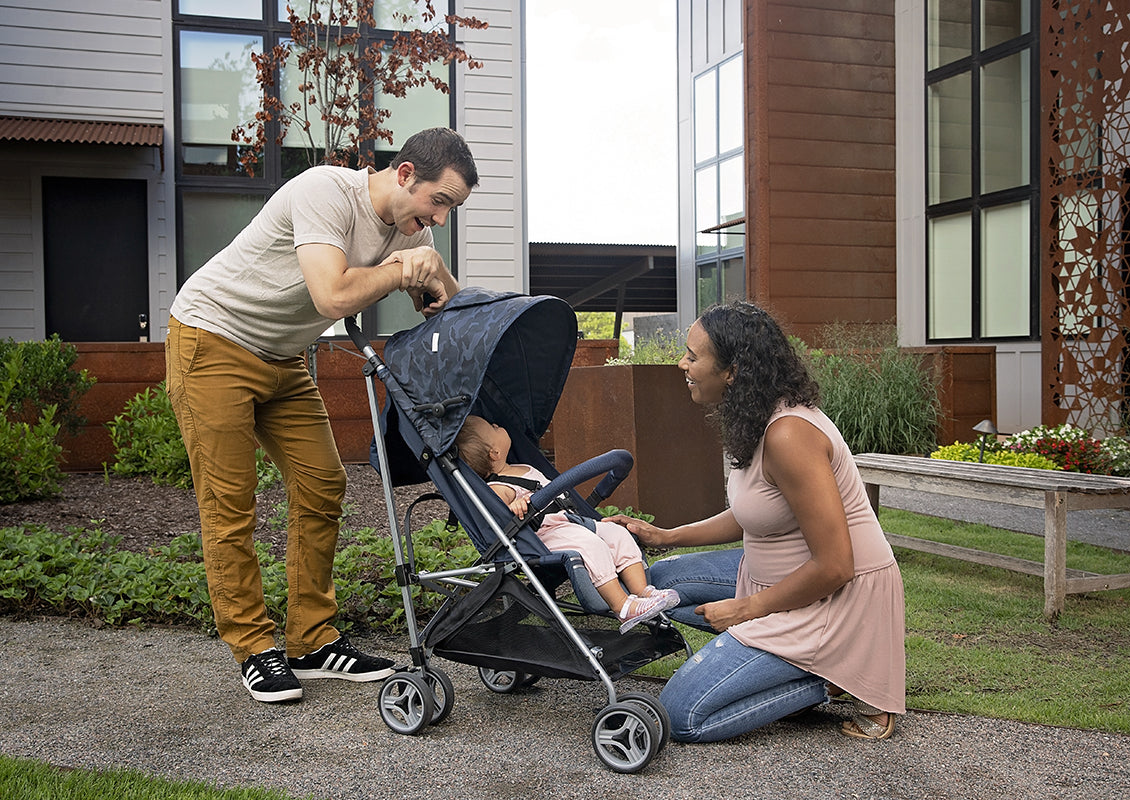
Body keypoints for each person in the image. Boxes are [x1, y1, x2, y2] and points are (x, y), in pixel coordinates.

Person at [166, 128, 479, 704]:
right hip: (212, 340)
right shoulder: (325, 191)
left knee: (322, 484)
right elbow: (331, 297)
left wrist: (435, 271)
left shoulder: (410, 230)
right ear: (405, 174)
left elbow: (447, 310)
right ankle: (254, 648)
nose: (439, 218)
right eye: (439, 201)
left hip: (283, 356)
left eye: (450, 210)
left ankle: (310, 640)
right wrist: (403, 269)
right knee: (229, 501)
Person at [604, 301, 906, 742]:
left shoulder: (790, 435)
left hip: (834, 597)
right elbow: (754, 513)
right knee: (659, 583)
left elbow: (837, 566)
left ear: (733, 371)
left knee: (681, 714)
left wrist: (745, 610)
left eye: (692, 355)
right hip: (778, 576)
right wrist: (666, 535)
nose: (682, 364)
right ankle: (787, 658)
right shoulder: (756, 418)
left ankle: (837, 675)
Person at [455, 415, 678, 633]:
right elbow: (495, 515)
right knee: (591, 545)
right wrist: (514, 506)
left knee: (616, 533)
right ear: (494, 453)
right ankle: (622, 606)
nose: (497, 423)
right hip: (546, 534)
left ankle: (643, 592)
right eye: (493, 427)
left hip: (571, 522)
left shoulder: (522, 466)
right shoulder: (498, 487)